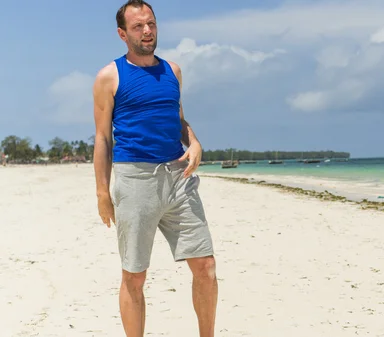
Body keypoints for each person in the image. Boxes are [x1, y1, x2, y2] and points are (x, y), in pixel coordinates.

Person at [92, 1, 218, 336]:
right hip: (135, 181)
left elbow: (176, 120)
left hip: (179, 177)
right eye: (138, 27)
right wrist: (103, 192)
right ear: (123, 33)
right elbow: (103, 139)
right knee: (134, 276)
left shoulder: (172, 71)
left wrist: (194, 141)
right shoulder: (109, 77)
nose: (147, 31)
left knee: (205, 265)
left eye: (151, 24)